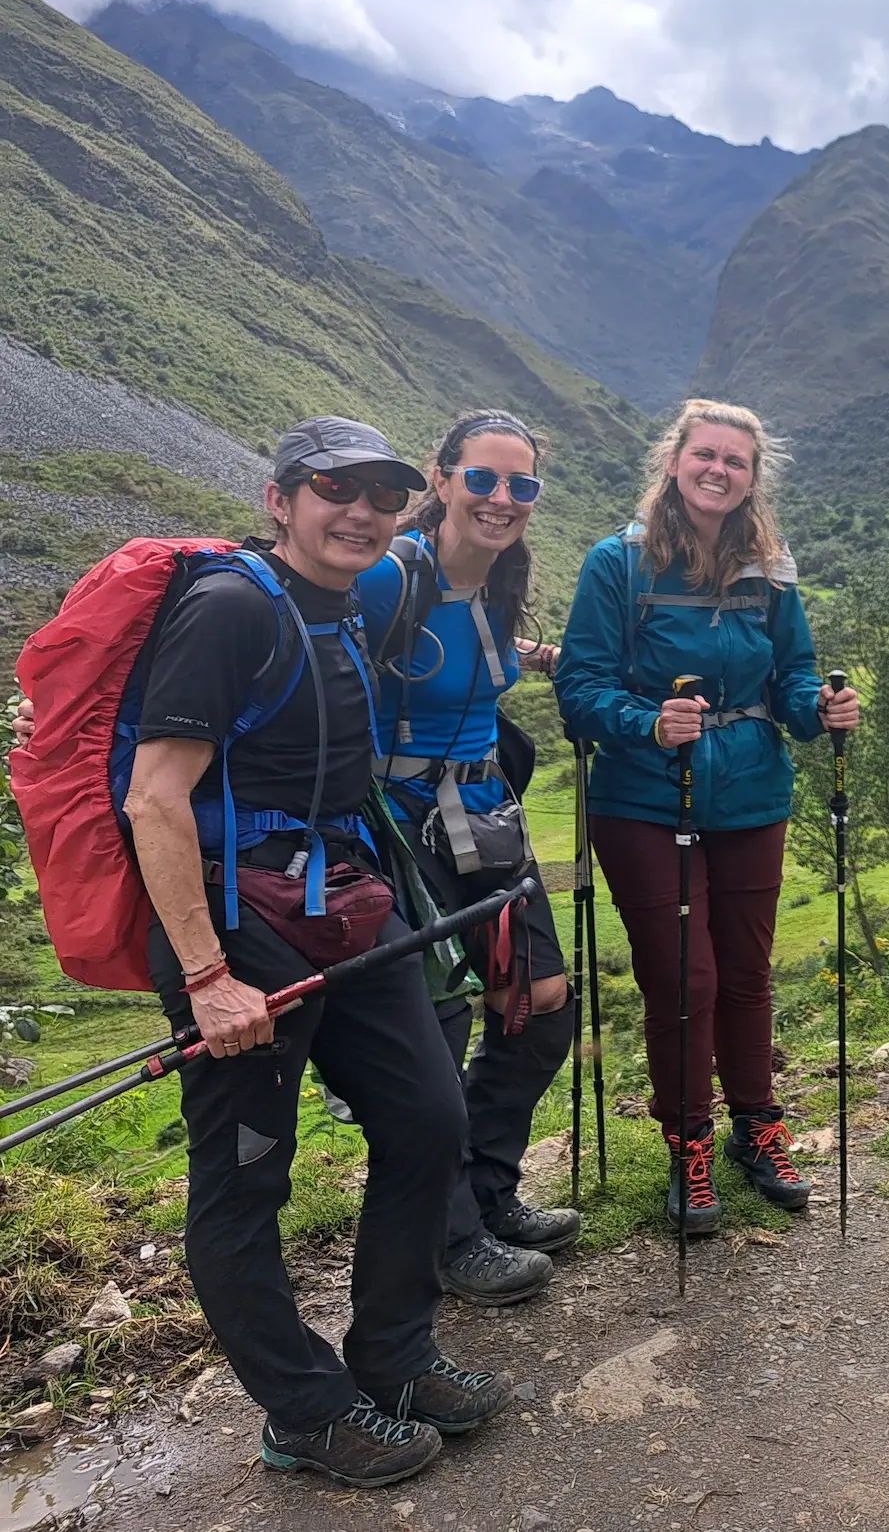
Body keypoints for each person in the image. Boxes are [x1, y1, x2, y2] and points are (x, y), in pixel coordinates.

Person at [123, 418, 508, 1487]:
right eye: (336, 489)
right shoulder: (232, 608)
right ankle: (302, 1411)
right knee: (247, 1175)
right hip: (236, 924)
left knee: (428, 1117)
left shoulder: (339, 609)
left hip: (345, 898)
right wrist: (207, 977)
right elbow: (154, 798)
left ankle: (393, 1359)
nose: (362, 512)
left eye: (383, 496)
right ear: (279, 499)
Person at [554, 401, 859, 1233]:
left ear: (753, 478)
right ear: (675, 461)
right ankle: (688, 1142)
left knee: (746, 974)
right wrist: (646, 721)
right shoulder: (618, 563)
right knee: (684, 979)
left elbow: (791, 676)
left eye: (736, 460)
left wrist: (820, 707)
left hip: (752, 792)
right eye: (706, 455)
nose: (719, 470)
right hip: (642, 798)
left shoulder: (770, 568)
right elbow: (579, 688)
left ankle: (757, 1128)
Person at [358, 410, 580, 1306]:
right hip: (401, 832)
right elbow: (295, 636)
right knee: (436, 1036)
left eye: (520, 485)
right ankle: (451, 1239)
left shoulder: (496, 581)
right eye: (482, 478)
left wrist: (538, 656)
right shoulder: (388, 575)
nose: (501, 498)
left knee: (540, 1003)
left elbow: (468, 658)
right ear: (442, 478)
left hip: (484, 819)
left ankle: (488, 1193)